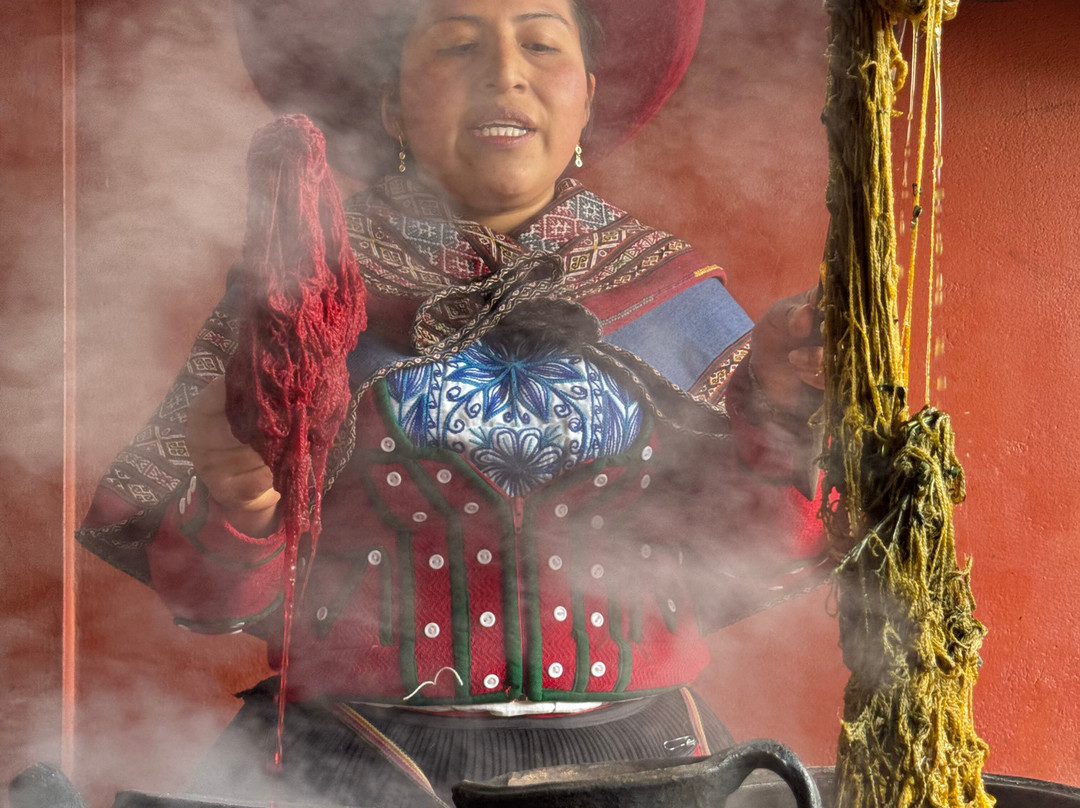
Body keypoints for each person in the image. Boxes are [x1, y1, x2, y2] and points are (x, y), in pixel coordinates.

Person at [78, 0, 828, 804]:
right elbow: (208, 598)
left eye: (541, 43)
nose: (505, 72)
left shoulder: (676, 300)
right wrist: (238, 500)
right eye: (457, 44)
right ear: (392, 103)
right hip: (350, 762)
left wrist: (784, 416)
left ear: (587, 96)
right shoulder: (297, 304)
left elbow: (759, 550)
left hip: (650, 765)